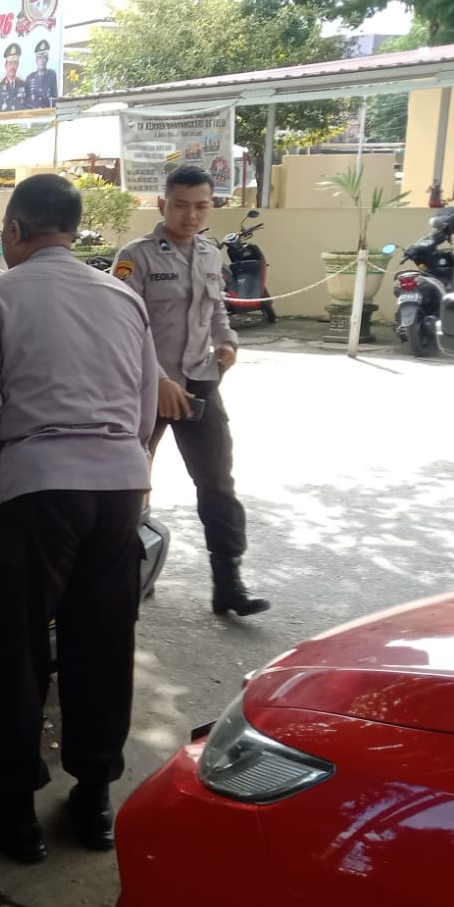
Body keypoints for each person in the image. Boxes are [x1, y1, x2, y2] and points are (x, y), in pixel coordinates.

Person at [0, 174, 157, 864]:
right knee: (102, 644)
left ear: (12, 231)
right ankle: (94, 803)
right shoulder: (123, 297)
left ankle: (16, 815)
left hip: (39, 491)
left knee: (20, 652)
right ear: (73, 229)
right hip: (121, 486)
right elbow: (146, 405)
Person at [113, 164, 269, 617]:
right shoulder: (136, 256)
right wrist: (157, 378)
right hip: (145, 384)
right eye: (181, 205)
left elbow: (217, 309)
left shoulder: (208, 255)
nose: (191, 214)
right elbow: (125, 328)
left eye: (201, 205)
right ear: (163, 205)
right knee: (129, 482)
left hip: (200, 380)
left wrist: (227, 342)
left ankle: (229, 583)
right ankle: (129, 576)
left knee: (217, 480)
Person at [0, 43, 25, 114]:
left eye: (15, 63)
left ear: (18, 65)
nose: (12, 67)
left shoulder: (24, 85)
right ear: (5, 66)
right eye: (10, 63)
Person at [24, 39, 58, 110]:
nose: (42, 61)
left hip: (48, 114)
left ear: (47, 59)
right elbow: (27, 102)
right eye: (39, 58)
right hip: (33, 115)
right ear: (36, 60)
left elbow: (55, 97)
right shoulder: (30, 78)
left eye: (44, 57)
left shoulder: (51, 75)